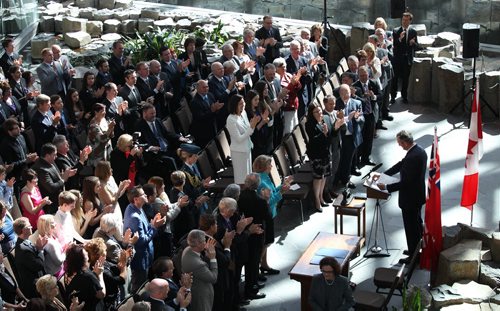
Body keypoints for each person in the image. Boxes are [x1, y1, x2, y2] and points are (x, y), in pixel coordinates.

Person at [374, 130, 427, 263]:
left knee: (411, 229)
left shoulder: (412, 157)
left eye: (399, 143)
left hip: (410, 199)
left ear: (404, 142)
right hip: (417, 195)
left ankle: (413, 257)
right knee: (417, 224)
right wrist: (383, 175)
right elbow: (400, 165)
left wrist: (386, 187)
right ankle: (416, 249)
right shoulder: (419, 150)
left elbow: (406, 183)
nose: (399, 145)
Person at [252, 155, 291, 274]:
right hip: (265, 215)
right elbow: (267, 203)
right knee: (266, 242)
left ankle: (264, 265)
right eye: (269, 164)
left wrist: (282, 186)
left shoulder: (264, 178)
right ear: (264, 167)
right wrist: (282, 193)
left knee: (266, 242)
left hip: (270, 214)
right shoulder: (261, 182)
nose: (272, 166)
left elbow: (273, 191)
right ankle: (256, 267)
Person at [123, 186, 165, 292]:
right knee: (140, 290)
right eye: (143, 194)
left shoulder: (136, 207)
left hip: (146, 258)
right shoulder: (134, 217)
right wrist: (155, 227)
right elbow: (141, 241)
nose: (146, 195)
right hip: (140, 262)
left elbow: (146, 230)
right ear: (136, 199)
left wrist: (152, 224)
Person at [237, 173, 269, 300]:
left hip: (244, 232)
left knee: (249, 261)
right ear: (258, 185)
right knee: (254, 262)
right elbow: (267, 216)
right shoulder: (260, 201)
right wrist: (266, 199)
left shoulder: (240, 196)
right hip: (257, 233)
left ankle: (253, 283)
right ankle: (251, 289)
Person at [226, 94, 261, 184]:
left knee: (248, 176)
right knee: (242, 180)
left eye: (243, 103)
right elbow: (239, 138)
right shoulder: (230, 119)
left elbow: (249, 131)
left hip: (247, 148)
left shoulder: (243, 113)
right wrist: (251, 127)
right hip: (239, 152)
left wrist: (252, 125)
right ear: (235, 105)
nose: (243, 105)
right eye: (240, 104)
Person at [32, 143, 77, 214]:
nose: (56, 156)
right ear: (47, 155)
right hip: (52, 206)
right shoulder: (40, 169)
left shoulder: (51, 162)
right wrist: (63, 179)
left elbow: (56, 177)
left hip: (59, 201)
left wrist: (66, 175)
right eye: (54, 155)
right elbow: (51, 187)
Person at [181, 229, 218, 311]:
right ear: (198, 244)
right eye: (204, 241)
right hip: (201, 297)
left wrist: (207, 256)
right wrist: (213, 258)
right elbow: (213, 278)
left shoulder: (188, 250)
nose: (206, 243)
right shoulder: (197, 264)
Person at [62, 243, 106, 311]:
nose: (87, 252)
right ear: (82, 259)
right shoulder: (88, 276)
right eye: (85, 253)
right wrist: (100, 275)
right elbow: (101, 294)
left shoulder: (68, 272)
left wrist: (94, 273)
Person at [305, 104, 331, 212]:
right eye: (316, 112)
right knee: (318, 177)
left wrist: (329, 132)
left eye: (320, 111)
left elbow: (330, 134)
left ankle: (321, 197)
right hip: (316, 154)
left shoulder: (325, 119)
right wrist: (324, 133)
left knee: (324, 176)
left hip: (325, 152)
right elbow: (313, 140)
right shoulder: (309, 124)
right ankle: (316, 200)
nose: (319, 113)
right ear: (312, 113)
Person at [13, 217, 47, 299]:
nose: (32, 227)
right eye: (29, 226)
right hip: (36, 289)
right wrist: (40, 249)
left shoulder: (26, 241)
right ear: (24, 230)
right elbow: (38, 265)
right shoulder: (22, 249)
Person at [390, 12, 419, 104]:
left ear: (410, 21)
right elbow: (394, 45)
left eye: (406, 20)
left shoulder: (413, 32)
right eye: (403, 20)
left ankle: (404, 96)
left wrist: (413, 43)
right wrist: (399, 39)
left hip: (407, 59)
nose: (404, 22)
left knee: (406, 79)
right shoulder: (396, 31)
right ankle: (393, 96)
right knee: (395, 78)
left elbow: (417, 46)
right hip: (398, 59)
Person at [188, 80, 222, 149]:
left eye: (207, 87)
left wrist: (217, 108)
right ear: (197, 89)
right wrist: (212, 110)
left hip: (213, 125)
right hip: (202, 132)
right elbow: (201, 118)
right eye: (203, 87)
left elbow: (215, 108)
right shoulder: (194, 102)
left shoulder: (210, 95)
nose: (206, 89)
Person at [245, 89, 273, 159]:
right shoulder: (247, 113)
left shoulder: (258, 109)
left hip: (263, 138)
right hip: (256, 142)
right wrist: (262, 122)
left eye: (258, 99)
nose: (257, 101)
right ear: (250, 100)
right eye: (255, 100)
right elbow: (253, 130)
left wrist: (265, 120)